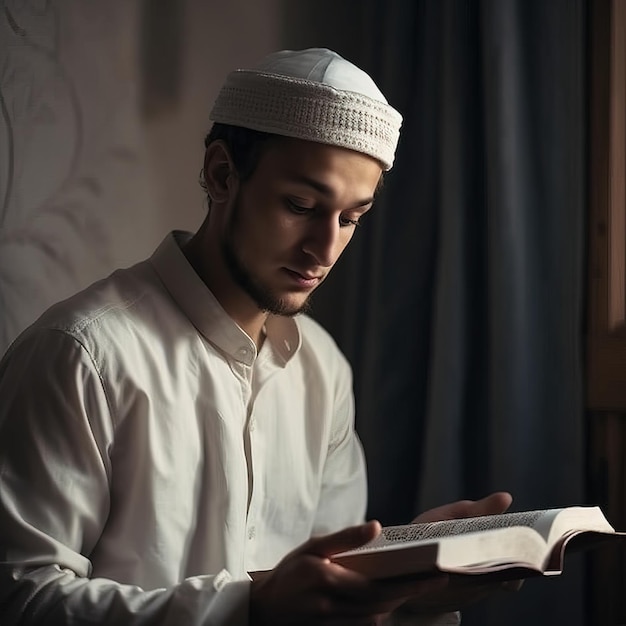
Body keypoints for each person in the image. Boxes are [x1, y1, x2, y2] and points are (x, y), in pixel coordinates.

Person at [0, 48, 514, 625]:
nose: (324, 250)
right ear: (222, 174)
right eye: (301, 205)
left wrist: (399, 592)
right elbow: (21, 599)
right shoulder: (81, 355)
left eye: (351, 219)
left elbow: (327, 601)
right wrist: (249, 612)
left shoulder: (323, 369)